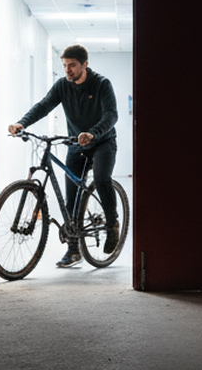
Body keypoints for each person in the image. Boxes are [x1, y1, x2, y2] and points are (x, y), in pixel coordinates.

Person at [8, 44, 119, 268]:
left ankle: (112, 225)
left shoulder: (101, 84)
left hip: (102, 142)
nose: (67, 70)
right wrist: (22, 123)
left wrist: (93, 133)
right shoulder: (62, 85)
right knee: (71, 198)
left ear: (84, 65)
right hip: (75, 144)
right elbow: (44, 105)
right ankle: (73, 249)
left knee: (101, 179)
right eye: (65, 65)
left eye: (72, 65)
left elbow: (111, 115)